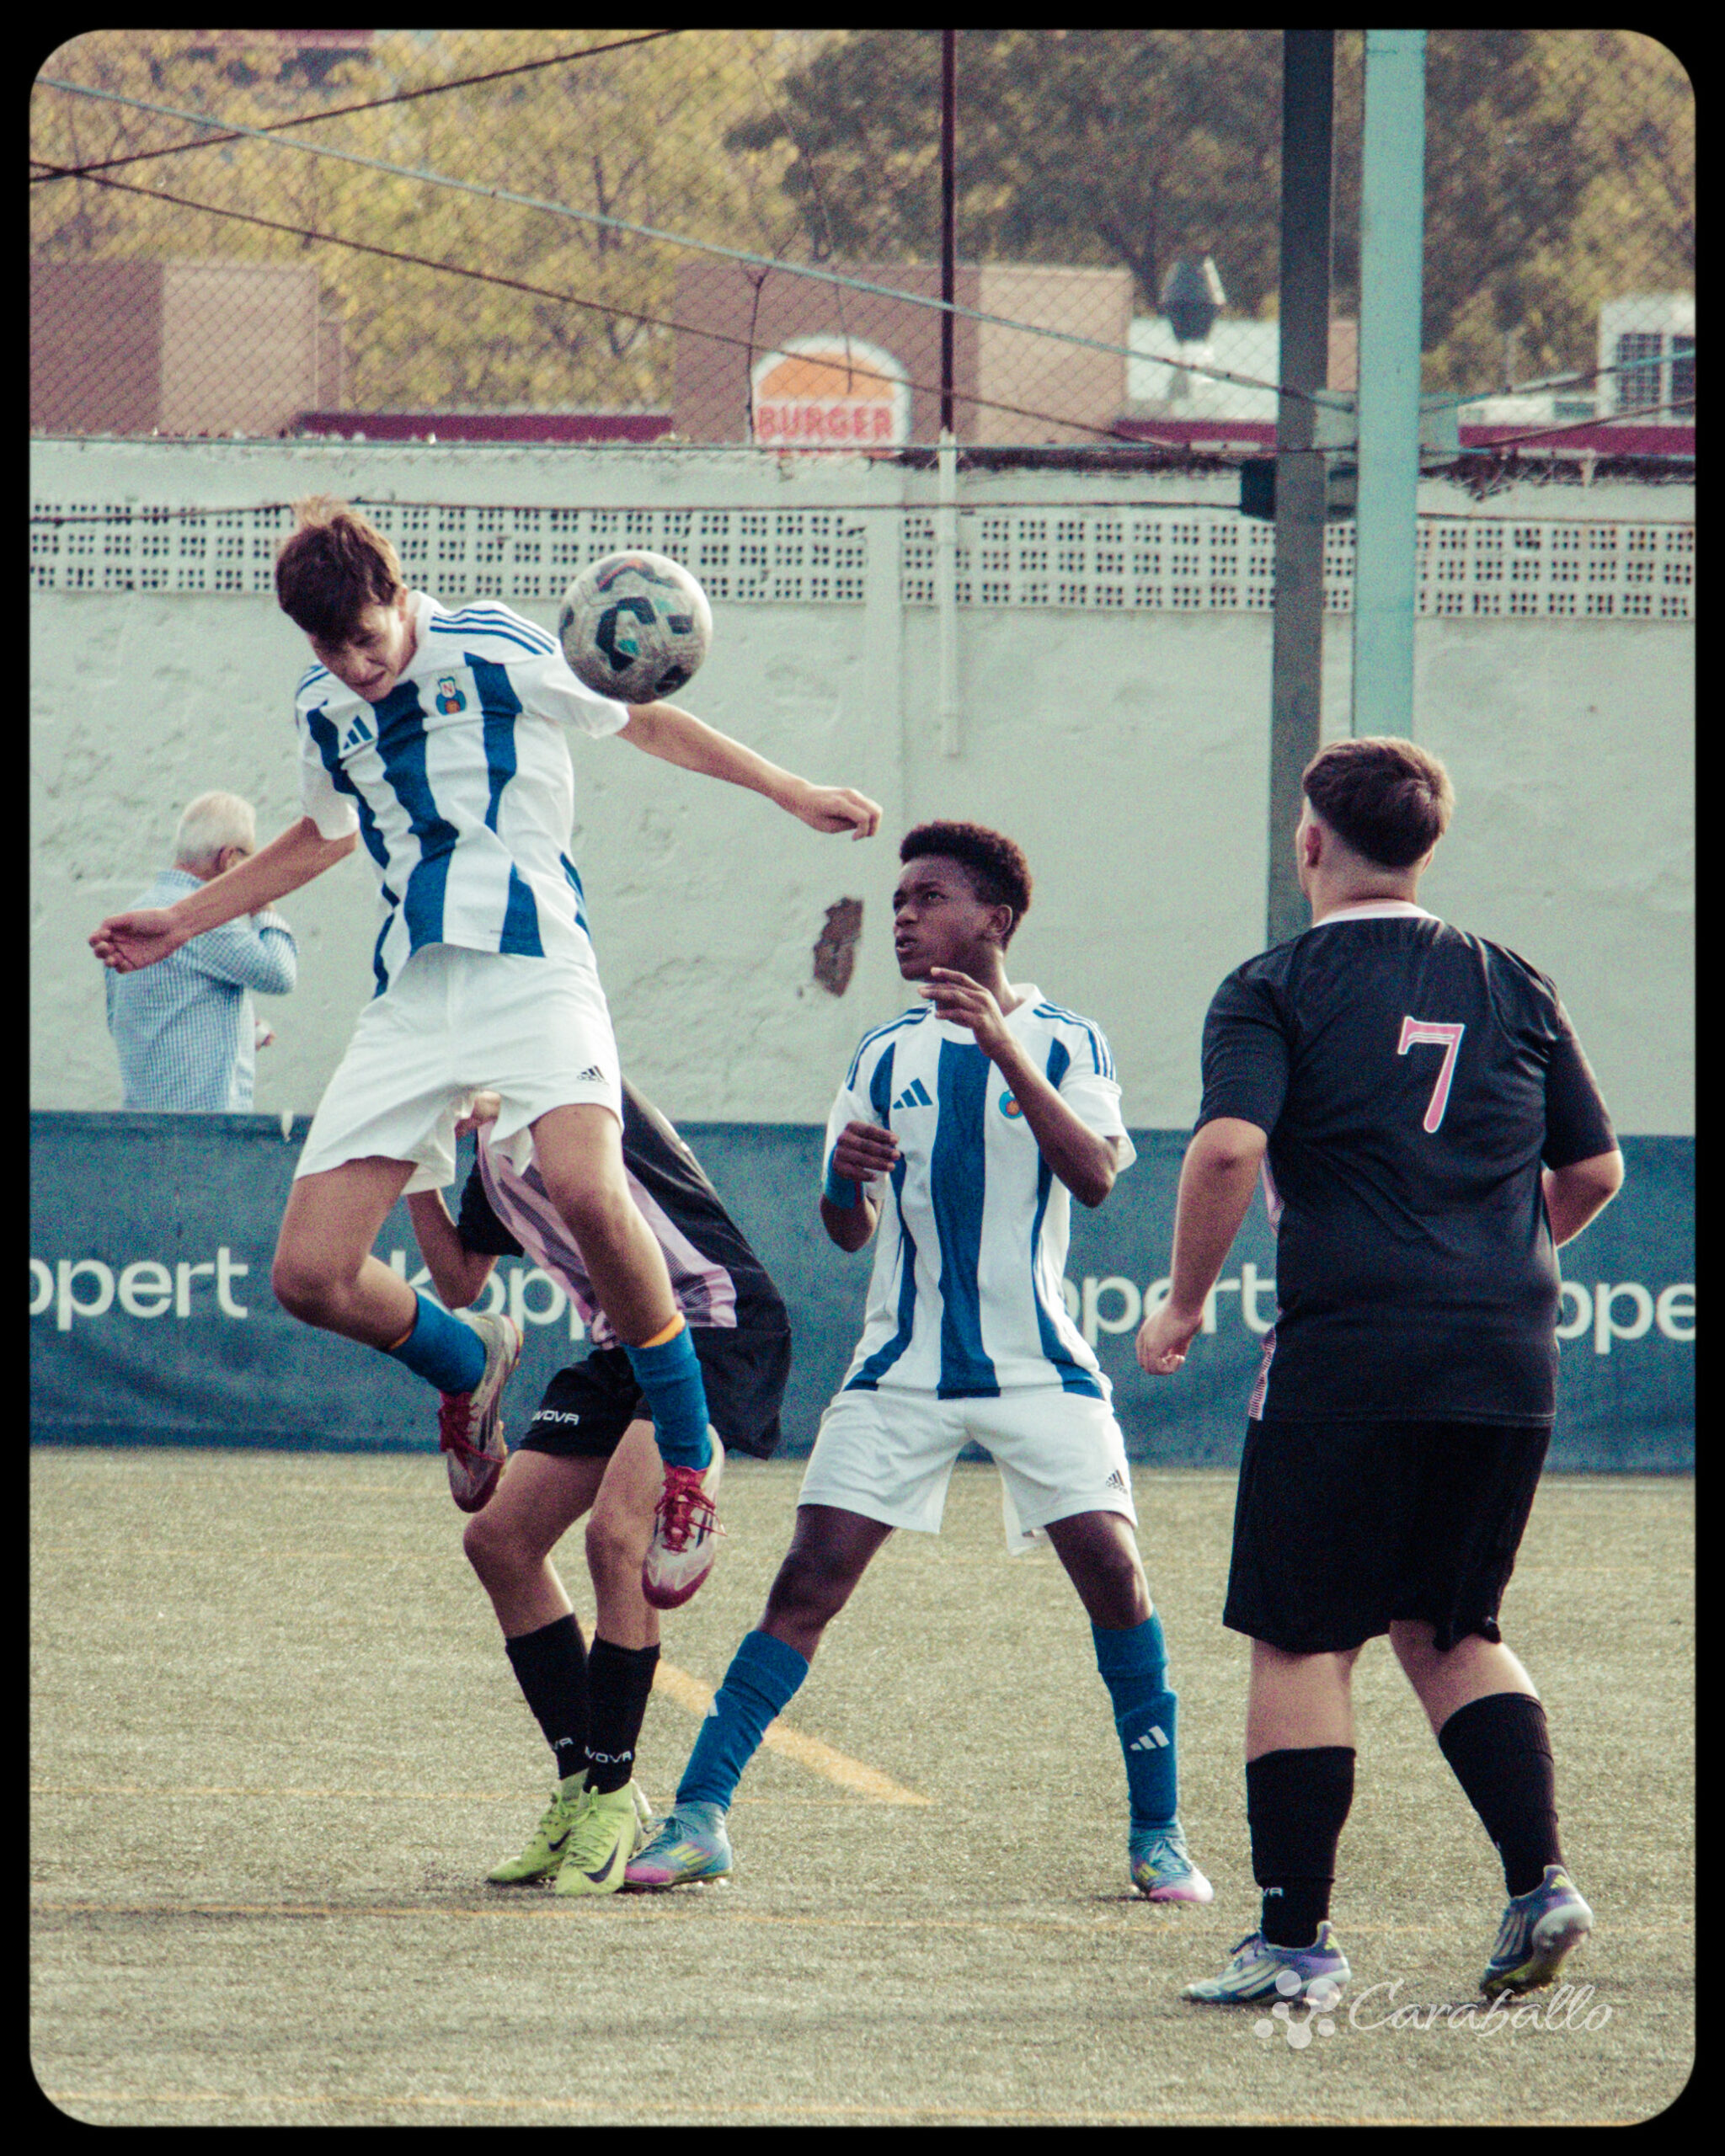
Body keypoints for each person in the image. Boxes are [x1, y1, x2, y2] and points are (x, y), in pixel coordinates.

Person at [90, 498, 879, 1607]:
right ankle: (469, 1362)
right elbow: (322, 836)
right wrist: (182, 922)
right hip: (413, 997)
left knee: (588, 1192)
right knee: (308, 1276)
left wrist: (790, 791)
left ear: (396, 596)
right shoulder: (324, 704)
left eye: (366, 637)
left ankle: (685, 1457)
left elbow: (643, 722)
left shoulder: (491, 643)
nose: (354, 664)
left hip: (536, 968)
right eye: (328, 647)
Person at [625, 820, 1212, 1905]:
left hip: (1039, 1368)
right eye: (898, 900)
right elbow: (845, 1229)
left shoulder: (1068, 1040)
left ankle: (1158, 1834)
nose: (902, 916)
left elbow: (1093, 1177)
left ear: (994, 917)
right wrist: (840, 1181)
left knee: (1116, 1579)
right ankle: (699, 1815)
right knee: (806, 1582)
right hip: (899, 1367)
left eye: (928, 897)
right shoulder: (881, 1052)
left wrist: (1001, 1047)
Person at [1135, 736, 1623, 2008]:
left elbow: (1228, 1149)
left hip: (1350, 1353)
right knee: (1452, 1628)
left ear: (1309, 842)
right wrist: (1485, 1264)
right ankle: (1540, 1883)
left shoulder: (1273, 984)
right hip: (1505, 1354)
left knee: (1303, 1640)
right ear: (1426, 846)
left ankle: (1294, 1944)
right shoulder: (1512, 977)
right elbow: (1592, 1170)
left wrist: (1182, 1301)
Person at [406, 1081, 792, 1897]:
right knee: (498, 1542)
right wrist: (414, 1162)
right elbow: (460, 1281)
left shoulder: (578, 1086)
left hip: (714, 1325)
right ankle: (584, 1786)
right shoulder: (489, 1153)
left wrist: (487, 1094)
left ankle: (615, 1798)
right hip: (622, 1349)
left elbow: (559, 1085)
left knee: (616, 1536)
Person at [104, 790, 297, 1111]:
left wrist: (236, 1030)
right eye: (250, 860)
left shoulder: (135, 915)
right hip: (203, 1128)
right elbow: (281, 973)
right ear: (230, 859)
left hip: (143, 1124)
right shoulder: (206, 921)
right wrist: (261, 898)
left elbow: (129, 1020)